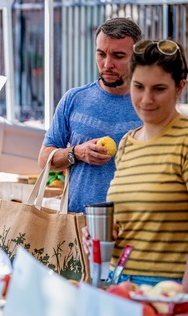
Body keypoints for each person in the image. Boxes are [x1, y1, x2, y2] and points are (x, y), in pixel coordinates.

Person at [85, 38, 188, 286]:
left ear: (179, 88)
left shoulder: (185, 139)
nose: (146, 99)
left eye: (159, 89)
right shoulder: (127, 143)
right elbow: (130, 221)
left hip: (166, 291)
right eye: (138, 86)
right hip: (119, 285)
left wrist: (182, 300)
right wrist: (102, 235)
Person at [38, 18, 143, 213]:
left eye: (118, 56)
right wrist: (76, 153)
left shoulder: (149, 106)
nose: (107, 64)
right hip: (78, 226)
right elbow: (44, 161)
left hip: (134, 228)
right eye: (101, 54)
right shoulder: (74, 99)